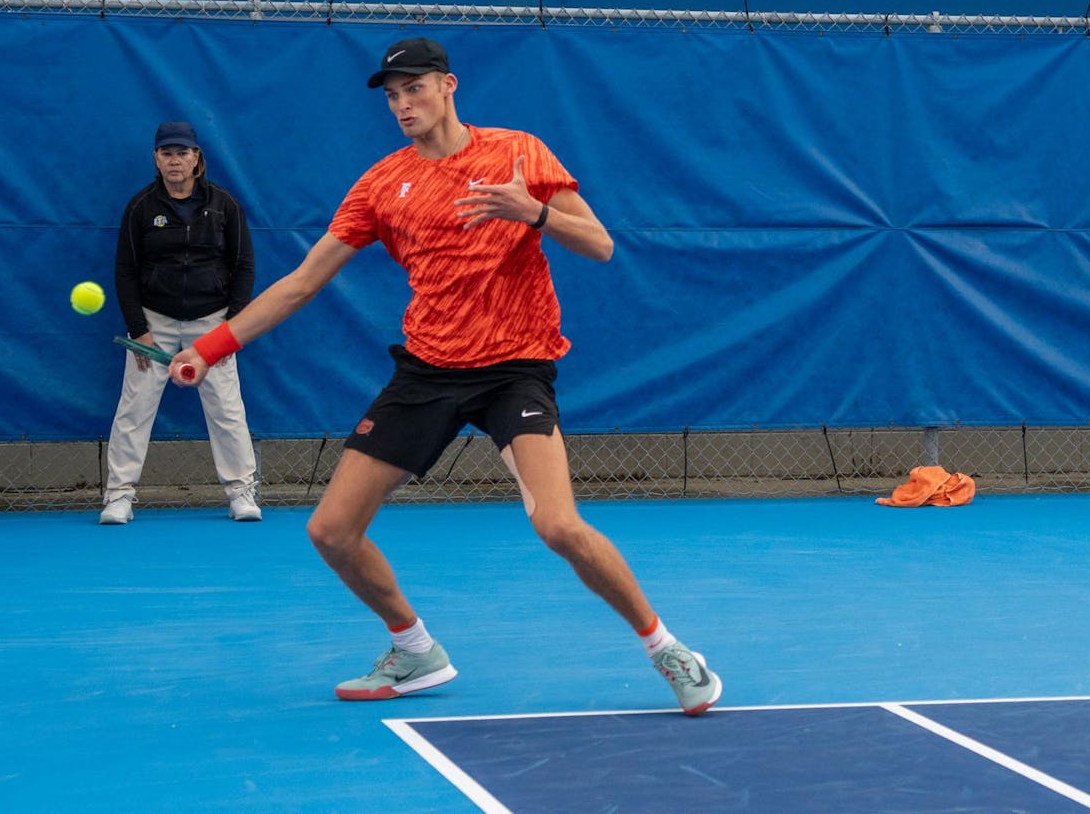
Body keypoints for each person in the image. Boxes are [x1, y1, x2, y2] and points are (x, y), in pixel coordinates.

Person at [169, 39, 720, 714]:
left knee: (558, 526)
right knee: (331, 531)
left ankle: (668, 649)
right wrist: (212, 345)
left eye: (415, 89)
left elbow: (600, 245)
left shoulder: (519, 153)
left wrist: (533, 212)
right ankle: (415, 651)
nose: (403, 105)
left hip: (515, 366)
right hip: (428, 369)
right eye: (392, 95)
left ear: (449, 86)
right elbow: (304, 282)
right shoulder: (381, 184)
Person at [101, 120, 262, 525]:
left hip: (212, 323)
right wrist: (139, 328)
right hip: (155, 323)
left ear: (197, 159)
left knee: (227, 408)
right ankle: (118, 496)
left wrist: (231, 329)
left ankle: (242, 492)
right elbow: (126, 270)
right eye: (167, 153)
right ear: (156, 159)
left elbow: (243, 265)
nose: (175, 160)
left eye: (183, 153)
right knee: (135, 407)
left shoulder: (225, 206)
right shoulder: (141, 207)